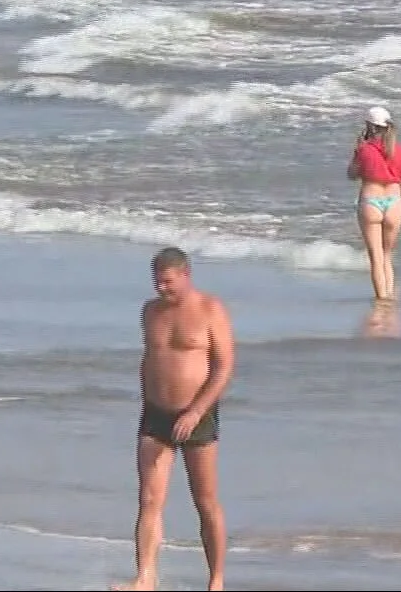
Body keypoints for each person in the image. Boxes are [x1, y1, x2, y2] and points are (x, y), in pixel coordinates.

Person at [115, 247, 234, 592]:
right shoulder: (150, 311)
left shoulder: (211, 310)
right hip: (155, 416)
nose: (161, 289)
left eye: (167, 282)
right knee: (149, 499)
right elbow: (149, 358)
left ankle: (216, 581)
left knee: (205, 501)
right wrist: (145, 397)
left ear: (185, 275)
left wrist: (196, 411)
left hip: (197, 415)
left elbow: (224, 368)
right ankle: (145, 578)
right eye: (156, 282)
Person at [346, 106, 401, 302]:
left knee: (375, 257)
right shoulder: (400, 152)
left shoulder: (364, 149)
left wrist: (356, 152)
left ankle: (381, 300)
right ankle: (389, 296)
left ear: (369, 126)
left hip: (371, 202)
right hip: (394, 204)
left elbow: (351, 175)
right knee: (387, 256)